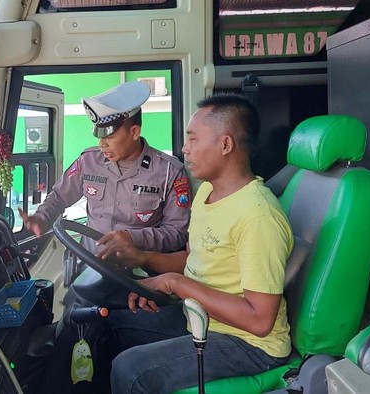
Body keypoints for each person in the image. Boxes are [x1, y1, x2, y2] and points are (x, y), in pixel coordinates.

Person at [105, 94, 294, 393]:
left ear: (226, 145)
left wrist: (175, 284)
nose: (184, 148)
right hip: (199, 317)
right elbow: (194, 259)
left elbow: (260, 320)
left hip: (250, 345)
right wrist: (141, 258)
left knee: (131, 370)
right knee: (106, 325)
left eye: (193, 139)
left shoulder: (258, 215)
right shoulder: (207, 192)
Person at [20, 81, 190, 262]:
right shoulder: (89, 161)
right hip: (89, 266)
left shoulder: (169, 172)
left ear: (134, 132)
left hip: (140, 273)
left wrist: (133, 238)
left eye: (109, 136)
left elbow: (176, 233)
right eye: (99, 136)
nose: (102, 145)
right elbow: (60, 197)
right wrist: (41, 218)